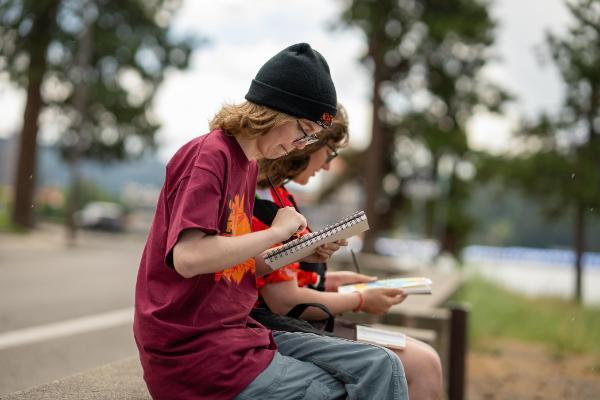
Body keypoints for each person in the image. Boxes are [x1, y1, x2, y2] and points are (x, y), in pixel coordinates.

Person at [133, 43, 408, 400]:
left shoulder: (247, 167)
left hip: (237, 334)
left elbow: (236, 265)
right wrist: (278, 232)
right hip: (195, 351)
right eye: (305, 130)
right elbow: (189, 258)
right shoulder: (209, 155)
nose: (301, 145)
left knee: (382, 366)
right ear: (277, 110)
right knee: (337, 393)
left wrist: (301, 250)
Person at [252, 104, 443, 400]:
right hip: (287, 327)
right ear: (307, 143)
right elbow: (284, 300)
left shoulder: (280, 196)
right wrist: (360, 300)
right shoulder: (266, 205)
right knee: (422, 364)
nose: (328, 166)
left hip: (299, 323)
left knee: (424, 359)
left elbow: (282, 278)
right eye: (330, 153)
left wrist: (335, 280)